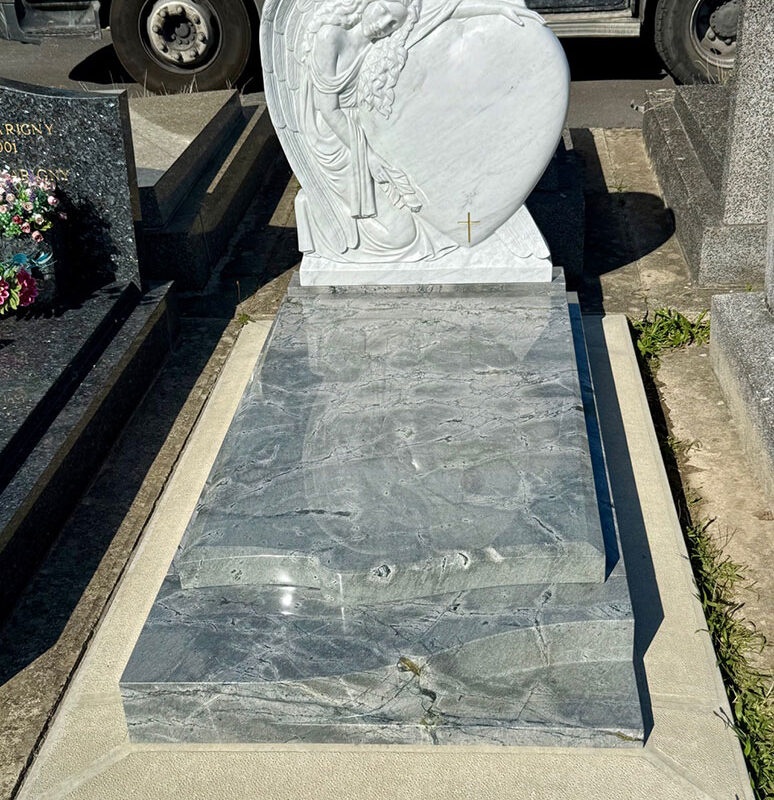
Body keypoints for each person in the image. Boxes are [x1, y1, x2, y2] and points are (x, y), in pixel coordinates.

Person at [295, 0, 542, 263]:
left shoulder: (380, 41)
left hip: (366, 128)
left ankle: (469, 229)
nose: (383, 25)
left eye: (392, 24)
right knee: (402, 236)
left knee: (429, 172)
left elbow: (443, 11)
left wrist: (498, 9)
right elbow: (328, 109)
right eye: (383, 13)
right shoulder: (329, 36)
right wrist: (368, 157)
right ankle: (317, 213)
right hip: (336, 139)